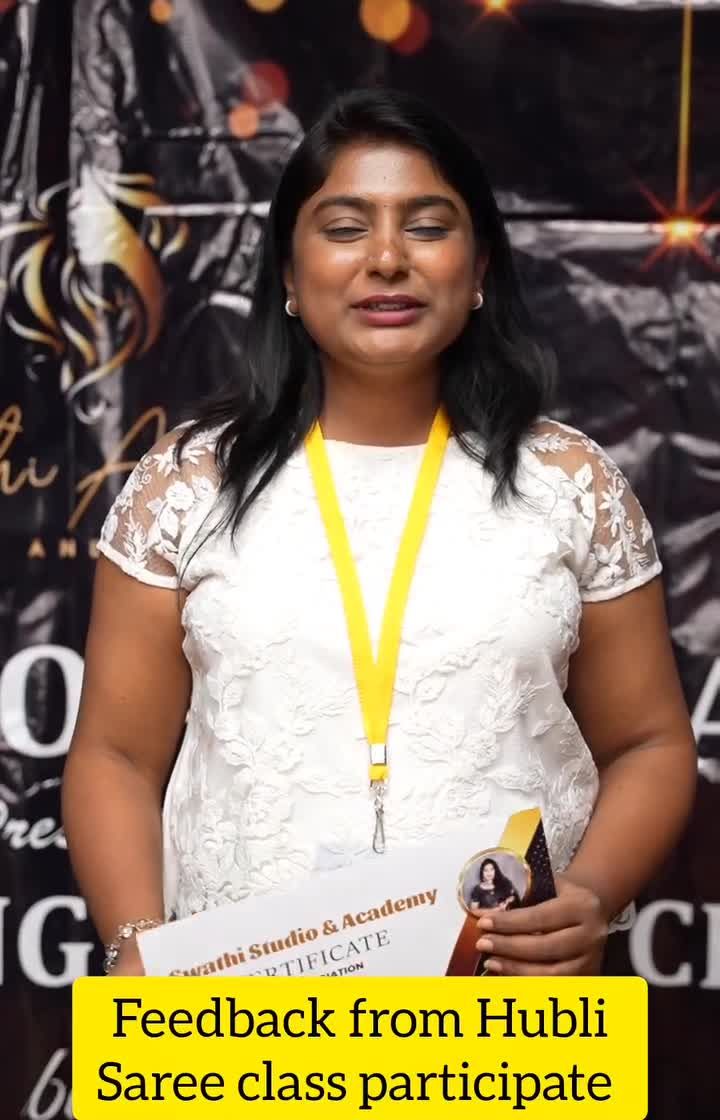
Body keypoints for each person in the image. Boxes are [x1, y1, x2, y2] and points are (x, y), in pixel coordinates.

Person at [62, 88, 697, 979]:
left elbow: (650, 744)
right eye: (345, 228)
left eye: (428, 227)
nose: (389, 259)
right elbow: (116, 756)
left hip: (504, 1007)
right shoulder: (189, 482)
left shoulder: (569, 482)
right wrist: (134, 944)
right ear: (290, 274)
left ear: (478, 268)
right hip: (234, 1014)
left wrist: (592, 895)